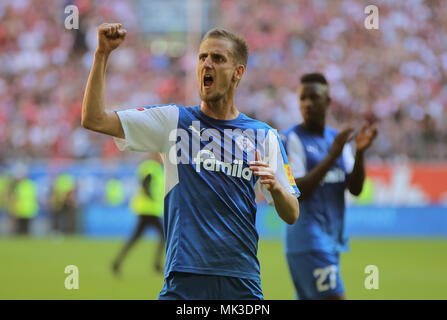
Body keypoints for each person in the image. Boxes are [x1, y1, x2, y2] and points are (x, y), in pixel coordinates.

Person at [81, 23, 300, 300]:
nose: (206, 64)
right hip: (184, 280)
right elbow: (94, 119)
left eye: (218, 59)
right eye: (202, 57)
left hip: (241, 282)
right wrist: (101, 54)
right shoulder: (174, 122)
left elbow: (292, 213)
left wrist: (277, 189)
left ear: (238, 73)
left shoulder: (264, 135)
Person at [281, 73, 377, 300]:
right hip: (307, 240)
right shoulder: (291, 139)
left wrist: (360, 153)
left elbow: (355, 189)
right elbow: (296, 191)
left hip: (331, 239)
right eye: (303, 98)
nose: (307, 104)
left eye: (314, 97)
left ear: (328, 102)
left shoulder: (337, 139)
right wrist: (332, 155)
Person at [112, 160, 165, 276]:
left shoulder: (150, 166)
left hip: (147, 210)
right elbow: (145, 182)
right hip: (149, 210)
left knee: (135, 238)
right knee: (163, 236)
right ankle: (156, 264)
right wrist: (151, 196)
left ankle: (117, 263)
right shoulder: (153, 167)